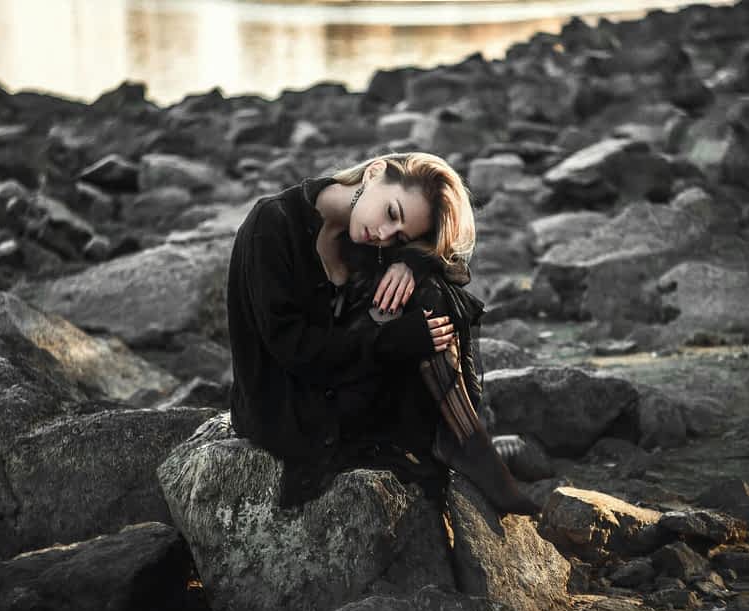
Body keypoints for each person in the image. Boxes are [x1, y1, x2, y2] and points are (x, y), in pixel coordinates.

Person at [226, 151, 538, 515]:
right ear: (375, 173)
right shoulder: (274, 223)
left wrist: (412, 262)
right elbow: (293, 350)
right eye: (392, 213)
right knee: (421, 319)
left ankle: (466, 440)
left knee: (433, 294)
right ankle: (465, 444)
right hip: (285, 401)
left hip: (338, 380)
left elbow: (454, 269)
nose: (384, 235)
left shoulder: (369, 239)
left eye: (400, 235)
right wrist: (392, 341)